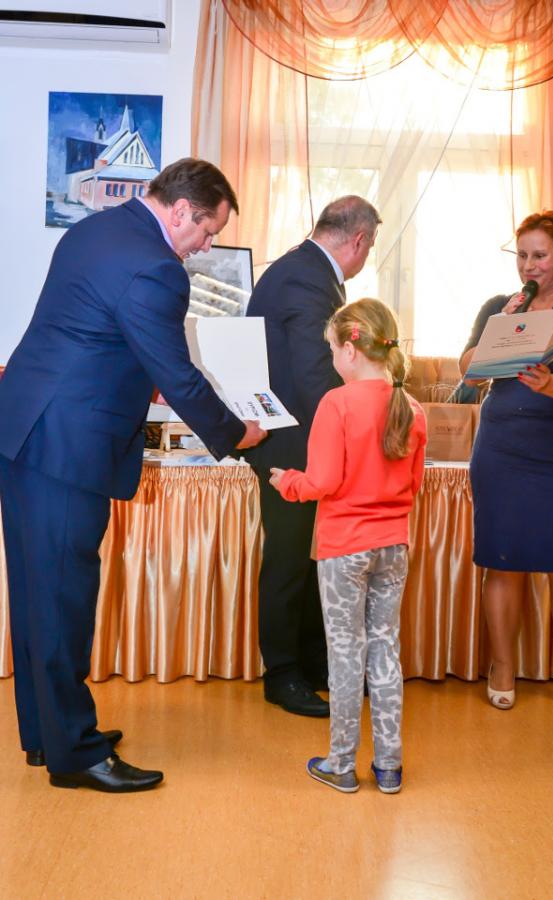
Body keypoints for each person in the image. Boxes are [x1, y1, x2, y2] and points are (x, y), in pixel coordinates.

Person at [0, 158, 266, 792]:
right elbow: (177, 374)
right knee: (62, 602)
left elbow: (98, 336)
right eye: (208, 231)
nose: (206, 247)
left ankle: (47, 735)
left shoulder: (95, 228)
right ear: (182, 211)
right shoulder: (156, 267)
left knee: (37, 597)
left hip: (26, 430)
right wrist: (237, 432)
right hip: (67, 446)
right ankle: (75, 754)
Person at [270, 299, 427, 793]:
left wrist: (286, 481)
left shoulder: (336, 404)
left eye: (333, 350)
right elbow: (414, 484)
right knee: (385, 649)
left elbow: (322, 481)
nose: (333, 358)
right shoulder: (411, 408)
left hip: (344, 548)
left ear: (352, 350)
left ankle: (341, 762)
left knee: (345, 653)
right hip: (392, 545)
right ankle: (389, 765)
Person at [245, 196, 381, 717]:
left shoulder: (302, 268)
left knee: (306, 558)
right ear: (359, 240)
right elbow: (313, 376)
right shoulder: (308, 277)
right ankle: (282, 674)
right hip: (293, 446)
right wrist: (360, 423)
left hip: (297, 440)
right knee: (288, 562)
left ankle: (310, 663)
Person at [460, 210, 553, 712]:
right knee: (504, 563)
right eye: (522, 255)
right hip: (502, 448)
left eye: (540, 255)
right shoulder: (499, 306)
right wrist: (502, 327)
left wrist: (552, 383)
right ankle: (502, 667)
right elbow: (468, 370)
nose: (529, 265)